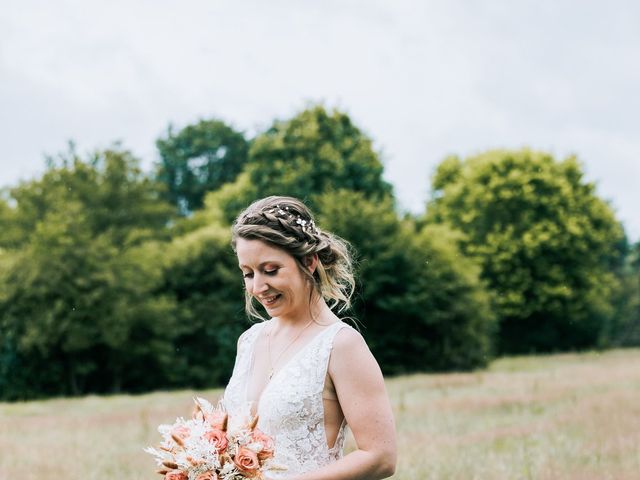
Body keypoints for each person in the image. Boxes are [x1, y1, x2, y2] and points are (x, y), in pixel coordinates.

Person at [223, 196, 397, 480]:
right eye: (248, 274)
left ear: (309, 261)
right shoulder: (249, 341)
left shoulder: (341, 344)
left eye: (270, 270)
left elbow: (381, 457)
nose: (257, 287)